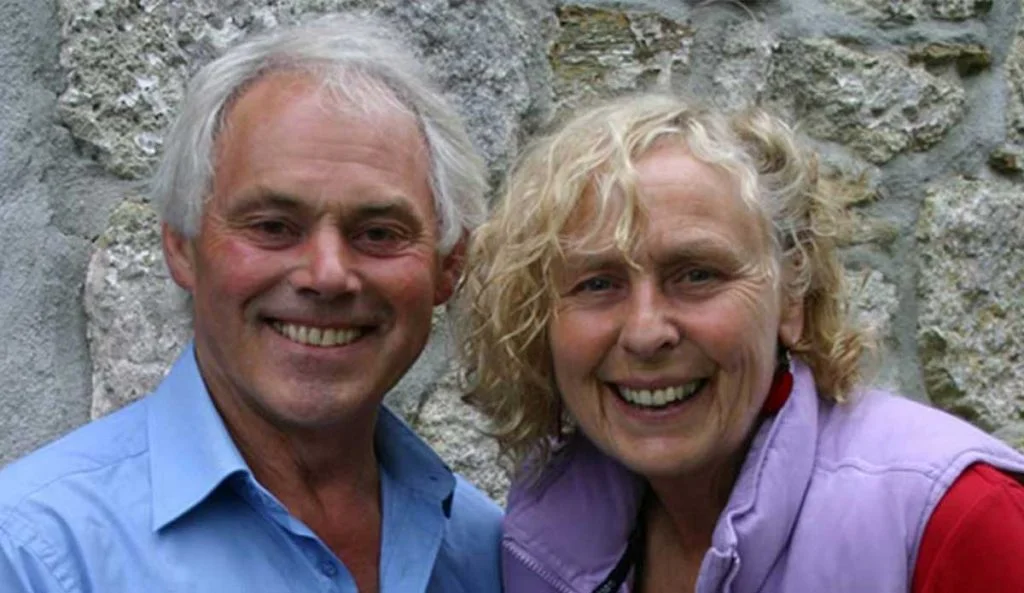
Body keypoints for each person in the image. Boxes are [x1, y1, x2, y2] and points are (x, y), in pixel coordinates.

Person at [0, 15, 502, 593]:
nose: (328, 275)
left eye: (379, 233)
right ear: (182, 246)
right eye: (272, 226)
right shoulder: (36, 556)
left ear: (449, 266)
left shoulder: (486, 553)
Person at [457, 93, 1024, 593]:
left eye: (697, 274)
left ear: (792, 298)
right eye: (598, 283)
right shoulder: (542, 539)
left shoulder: (957, 520)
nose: (647, 331)